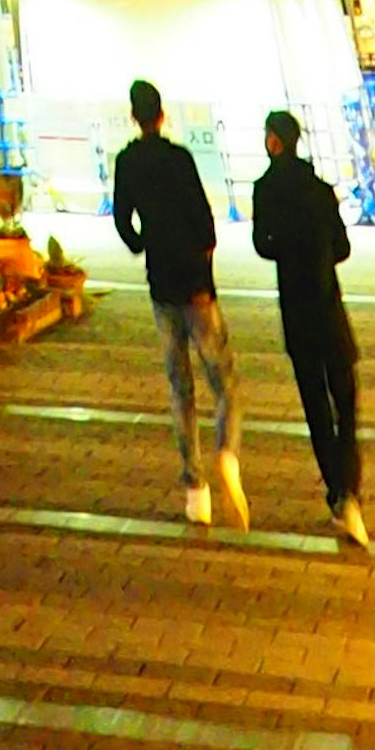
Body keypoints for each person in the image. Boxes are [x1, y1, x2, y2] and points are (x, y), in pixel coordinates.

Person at [108, 77, 246, 530]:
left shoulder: (128, 161)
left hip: (160, 284)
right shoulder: (179, 159)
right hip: (195, 284)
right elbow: (204, 220)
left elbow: (122, 218)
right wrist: (204, 269)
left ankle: (195, 490)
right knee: (223, 380)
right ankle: (227, 451)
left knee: (179, 387)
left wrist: (142, 242)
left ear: (134, 116)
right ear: (162, 115)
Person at [248, 108, 368, 553]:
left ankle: (338, 493)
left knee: (316, 407)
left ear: (274, 142)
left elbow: (262, 245)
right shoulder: (320, 191)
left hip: (296, 311)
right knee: (346, 402)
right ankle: (350, 485)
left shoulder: (265, 190)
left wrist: (287, 252)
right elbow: (342, 247)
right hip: (329, 308)